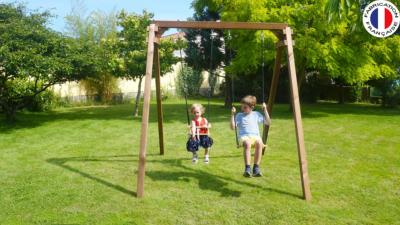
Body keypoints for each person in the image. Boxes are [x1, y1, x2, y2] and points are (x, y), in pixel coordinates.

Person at [231, 95, 271, 177]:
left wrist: (265, 110)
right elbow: (232, 127)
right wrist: (232, 115)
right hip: (244, 136)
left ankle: (256, 168)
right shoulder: (239, 115)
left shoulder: (256, 114)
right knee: (247, 143)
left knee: (260, 143)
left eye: (245, 107)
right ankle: (247, 168)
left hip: (255, 136)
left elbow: (268, 123)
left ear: (252, 107)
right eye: (242, 107)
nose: (242, 109)